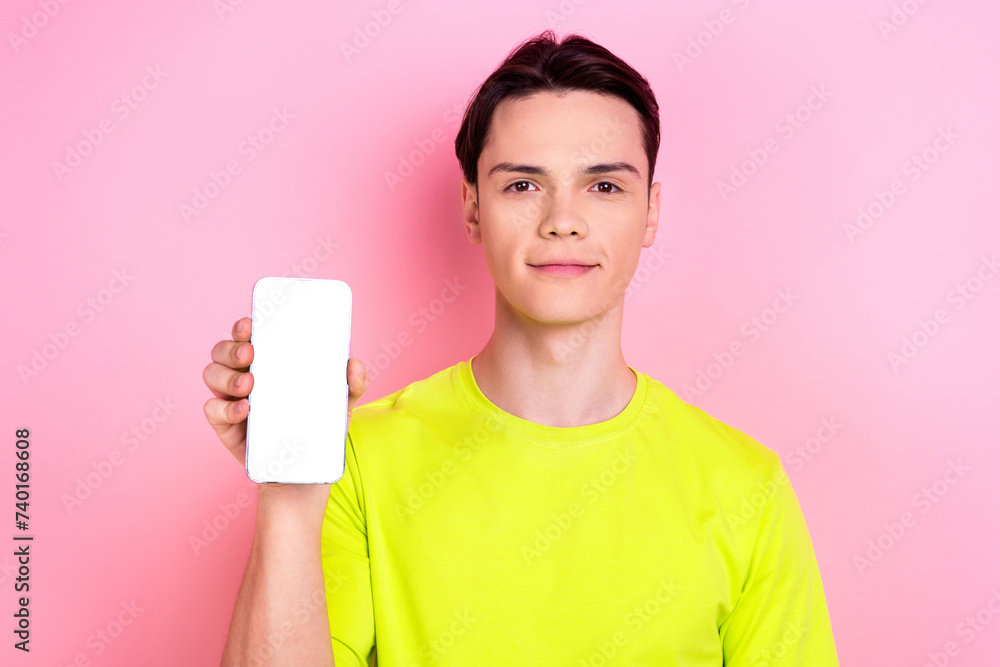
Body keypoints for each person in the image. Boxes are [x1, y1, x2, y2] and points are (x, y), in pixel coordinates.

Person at [203, 30, 840, 666]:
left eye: (605, 186)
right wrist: (287, 494)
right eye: (523, 186)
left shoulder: (747, 488)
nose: (562, 219)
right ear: (473, 208)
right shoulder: (354, 462)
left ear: (650, 212)